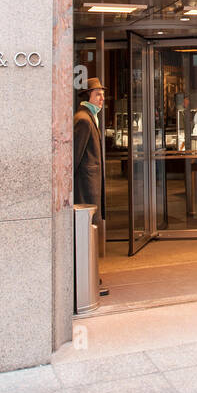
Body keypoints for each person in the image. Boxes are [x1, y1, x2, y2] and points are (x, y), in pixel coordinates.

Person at [73, 77, 109, 296]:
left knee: (90, 232)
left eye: (102, 94)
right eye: (97, 94)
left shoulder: (90, 118)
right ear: (87, 97)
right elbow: (75, 156)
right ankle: (88, 279)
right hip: (85, 188)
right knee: (86, 232)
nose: (102, 98)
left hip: (90, 185)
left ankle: (92, 276)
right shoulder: (83, 120)